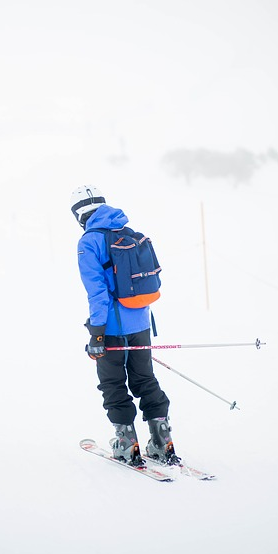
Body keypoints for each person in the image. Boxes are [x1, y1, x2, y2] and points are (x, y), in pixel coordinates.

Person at [70, 184, 179, 466]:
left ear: (79, 214)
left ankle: (126, 443)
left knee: (113, 383)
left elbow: (97, 292)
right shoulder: (128, 233)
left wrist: (97, 333)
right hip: (141, 321)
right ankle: (161, 441)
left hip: (111, 328)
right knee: (145, 379)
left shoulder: (89, 242)